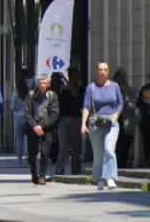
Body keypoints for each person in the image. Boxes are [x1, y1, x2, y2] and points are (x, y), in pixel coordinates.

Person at [81, 61, 125, 190]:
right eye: (100, 69)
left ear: (108, 72)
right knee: (99, 154)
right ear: (97, 72)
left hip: (112, 123)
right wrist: (83, 124)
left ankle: (110, 178)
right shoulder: (91, 88)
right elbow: (86, 106)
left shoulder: (115, 86)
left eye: (105, 69)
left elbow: (121, 103)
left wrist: (116, 116)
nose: (102, 72)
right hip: (95, 123)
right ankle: (100, 179)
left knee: (109, 149)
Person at [25, 74, 60, 185]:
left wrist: (42, 126)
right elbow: (26, 113)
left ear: (48, 84)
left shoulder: (53, 96)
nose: (42, 85)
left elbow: (55, 114)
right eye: (40, 83)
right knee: (32, 153)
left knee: (45, 152)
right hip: (33, 128)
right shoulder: (30, 95)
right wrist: (35, 126)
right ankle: (34, 174)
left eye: (45, 83)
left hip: (47, 128)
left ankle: (42, 176)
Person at [54, 73, 83, 177]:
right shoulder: (63, 91)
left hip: (76, 119)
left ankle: (76, 169)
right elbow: (58, 104)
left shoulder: (80, 90)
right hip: (64, 120)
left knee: (76, 147)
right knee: (63, 146)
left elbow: (81, 104)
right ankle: (60, 169)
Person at [113, 69, 135, 169]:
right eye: (117, 78)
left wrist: (126, 103)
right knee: (116, 145)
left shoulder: (130, 91)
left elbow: (133, 105)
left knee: (126, 144)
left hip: (127, 122)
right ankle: (118, 165)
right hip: (116, 121)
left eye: (121, 78)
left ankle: (125, 164)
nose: (119, 80)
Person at [12, 78, 30, 164]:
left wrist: (16, 110)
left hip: (18, 117)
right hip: (28, 117)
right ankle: (27, 158)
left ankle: (19, 160)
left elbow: (12, 106)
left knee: (19, 139)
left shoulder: (15, 92)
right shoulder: (29, 92)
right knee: (28, 139)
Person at [138, 79, 150, 168]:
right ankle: (147, 161)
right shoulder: (145, 88)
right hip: (146, 120)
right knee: (146, 142)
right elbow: (139, 103)